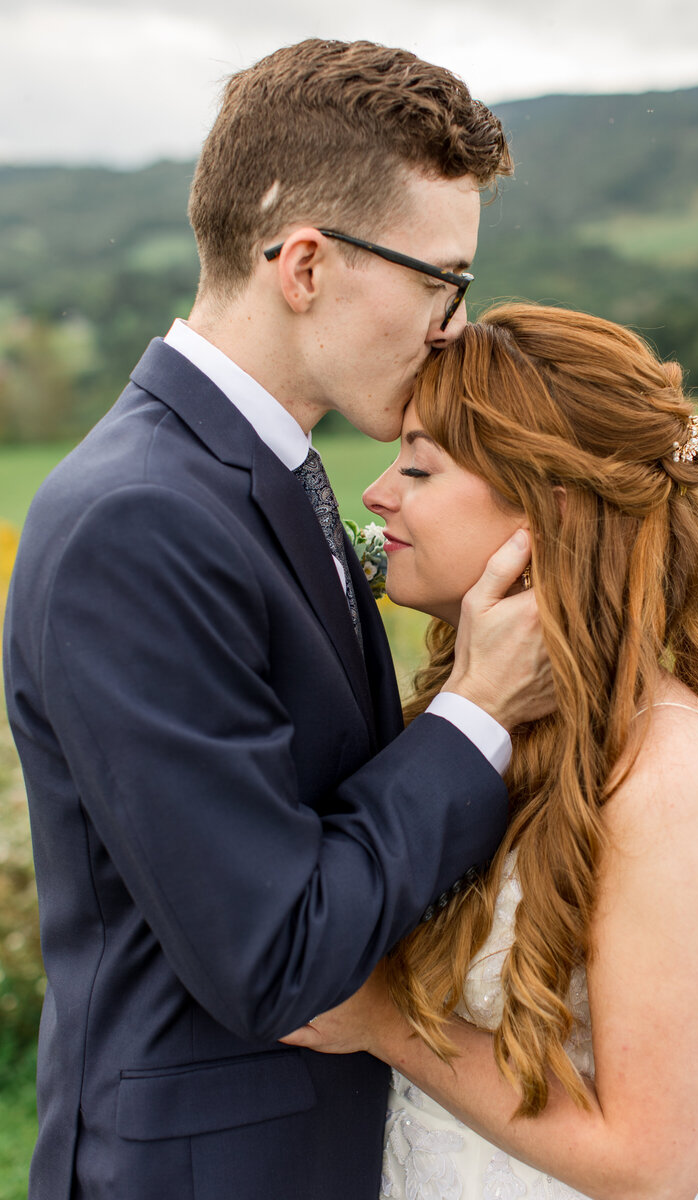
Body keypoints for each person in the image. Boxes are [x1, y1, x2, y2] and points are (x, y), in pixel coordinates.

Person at [1, 42, 554, 1200]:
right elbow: (275, 952)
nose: (452, 324)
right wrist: (475, 714)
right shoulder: (138, 521)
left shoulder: (255, 478)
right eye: (438, 280)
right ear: (303, 264)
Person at [281, 303, 698, 1200]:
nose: (376, 492)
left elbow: (653, 1166)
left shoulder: (661, 764)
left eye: (419, 466)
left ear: (546, 509)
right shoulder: (456, 719)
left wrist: (385, 1023)